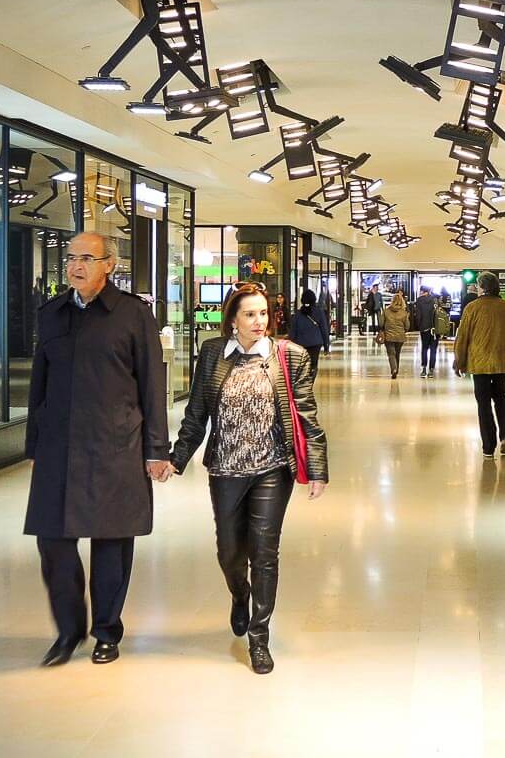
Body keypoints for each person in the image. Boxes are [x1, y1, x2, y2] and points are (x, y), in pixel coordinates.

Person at [24, 231, 172, 668]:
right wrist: (34, 441)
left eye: (87, 257)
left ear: (110, 264)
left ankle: (107, 630)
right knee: (53, 541)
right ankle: (69, 630)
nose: (76, 265)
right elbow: (39, 384)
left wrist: (156, 449)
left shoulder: (132, 315)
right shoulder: (51, 314)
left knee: (111, 541)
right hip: (59, 447)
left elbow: (152, 384)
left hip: (115, 444)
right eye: (71, 257)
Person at [171, 282, 328, 674]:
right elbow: (197, 412)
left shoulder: (288, 357)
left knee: (264, 553)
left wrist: (318, 469)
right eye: (250, 314)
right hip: (225, 469)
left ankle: (260, 637)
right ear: (232, 320)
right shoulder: (212, 353)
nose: (260, 321)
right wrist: (176, 458)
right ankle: (239, 596)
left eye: (264, 313)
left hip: (272, 469)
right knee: (229, 551)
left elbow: (307, 413)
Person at [454, 271, 505, 459]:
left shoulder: (472, 308)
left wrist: (459, 361)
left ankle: (488, 446)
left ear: (481, 287)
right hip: (501, 362)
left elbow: (462, 337)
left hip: (479, 364)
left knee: (483, 403)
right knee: (501, 398)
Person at [288, 289, 330, 381]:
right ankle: (310, 381)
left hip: (300, 344)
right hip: (315, 343)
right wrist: (326, 345)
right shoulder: (319, 312)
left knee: (301, 364)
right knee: (313, 364)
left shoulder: (298, 314)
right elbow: (324, 329)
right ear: (314, 299)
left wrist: (290, 345)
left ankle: (302, 380)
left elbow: (293, 331)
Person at [380, 290, 410, 378]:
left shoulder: (386, 311)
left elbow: (381, 323)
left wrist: (383, 329)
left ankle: (394, 369)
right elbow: (407, 326)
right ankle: (396, 370)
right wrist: (403, 330)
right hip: (400, 337)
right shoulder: (404, 313)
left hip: (389, 336)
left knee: (391, 354)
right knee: (397, 353)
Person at [413, 286, 439, 377]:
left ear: (422, 291)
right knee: (433, 349)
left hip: (424, 328)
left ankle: (424, 369)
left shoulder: (419, 300)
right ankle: (431, 370)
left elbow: (418, 316)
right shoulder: (435, 300)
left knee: (424, 348)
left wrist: (419, 326)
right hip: (435, 328)